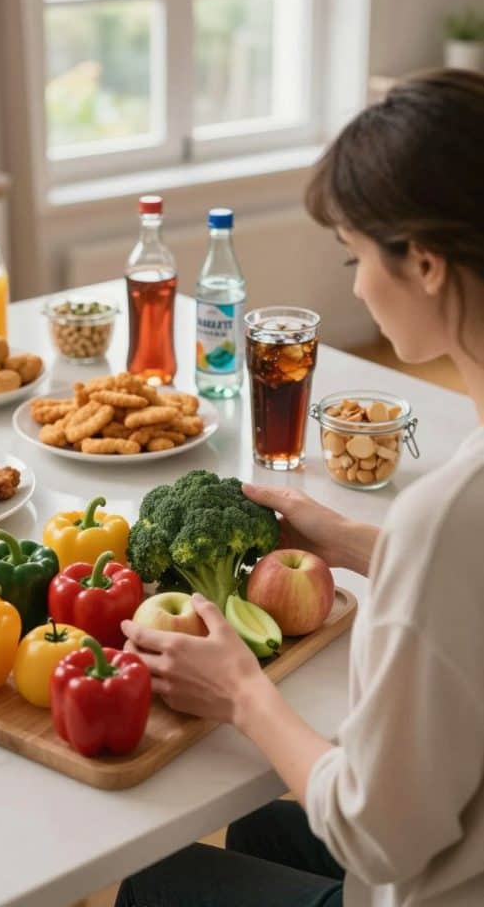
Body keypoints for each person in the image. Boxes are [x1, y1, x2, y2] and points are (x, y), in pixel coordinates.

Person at [115, 69, 484, 907]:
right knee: (260, 830)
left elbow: (376, 837)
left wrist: (239, 692)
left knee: (154, 881)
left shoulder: (449, 511)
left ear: (423, 262)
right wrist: (353, 543)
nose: (354, 285)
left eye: (356, 257)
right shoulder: (452, 515)